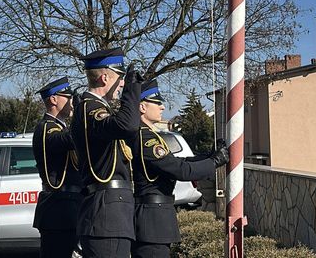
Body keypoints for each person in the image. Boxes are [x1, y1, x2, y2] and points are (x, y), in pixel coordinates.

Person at [131, 79, 229, 258]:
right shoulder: (146, 139)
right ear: (142, 107)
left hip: (155, 218)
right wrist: (215, 161)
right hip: (152, 221)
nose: (162, 107)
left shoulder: (149, 135)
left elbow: (178, 161)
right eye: (157, 102)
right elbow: (181, 170)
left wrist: (208, 156)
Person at [71, 47, 143, 258]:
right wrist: (132, 89)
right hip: (106, 212)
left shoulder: (95, 108)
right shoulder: (91, 108)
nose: (122, 84)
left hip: (110, 210)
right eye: (120, 78)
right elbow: (127, 126)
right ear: (104, 78)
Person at [32, 77, 83, 258]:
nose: (71, 103)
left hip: (69, 207)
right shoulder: (46, 128)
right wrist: (82, 115)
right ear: (54, 99)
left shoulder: (60, 127)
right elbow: (68, 140)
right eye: (68, 98)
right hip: (58, 209)